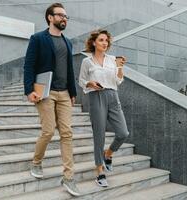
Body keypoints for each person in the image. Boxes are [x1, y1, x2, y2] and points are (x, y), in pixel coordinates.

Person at [23, 3, 80, 196]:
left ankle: (69, 177)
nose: (64, 19)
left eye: (66, 16)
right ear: (50, 17)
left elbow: (70, 69)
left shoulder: (67, 42)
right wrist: (29, 90)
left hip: (64, 93)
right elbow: (28, 65)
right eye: (61, 15)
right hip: (45, 92)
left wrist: (73, 92)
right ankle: (36, 162)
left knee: (67, 133)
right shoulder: (38, 38)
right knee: (48, 131)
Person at [78, 29, 129, 187]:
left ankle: (108, 154)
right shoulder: (87, 61)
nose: (104, 43)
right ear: (94, 42)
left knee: (123, 133)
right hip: (96, 97)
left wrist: (120, 67)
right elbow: (81, 80)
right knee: (99, 135)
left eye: (106, 40)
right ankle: (99, 170)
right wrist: (90, 83)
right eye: (101, 40)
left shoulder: (113, 60)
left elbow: (118, 80)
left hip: (113, 96)